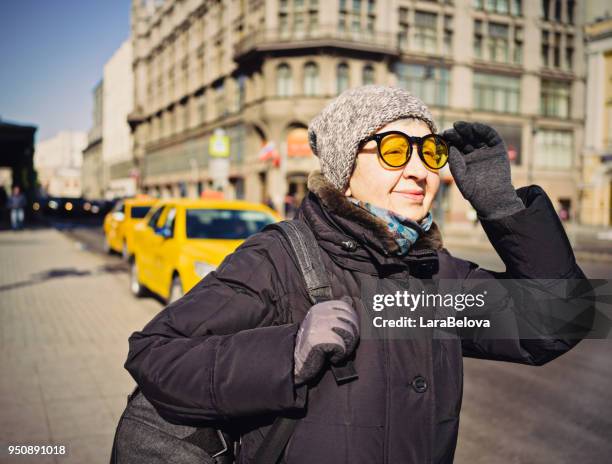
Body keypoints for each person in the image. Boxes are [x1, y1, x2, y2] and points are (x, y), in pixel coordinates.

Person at [125, 85, 591, 463]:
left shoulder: (436, 274)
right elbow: (155, 356)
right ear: (345, 170)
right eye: (393, 150)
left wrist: (504, 208)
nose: (418, 171)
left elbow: (555, 324)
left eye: (429, 153)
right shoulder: (278, 258)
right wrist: (283, 354)